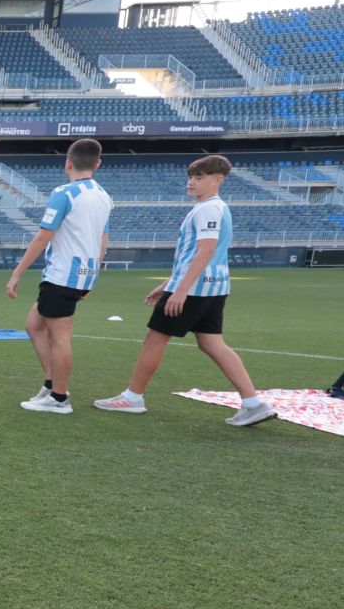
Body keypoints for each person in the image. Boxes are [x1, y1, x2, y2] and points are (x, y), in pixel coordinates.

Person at [93, 155, 276, 427]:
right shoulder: (215, 207)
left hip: (195, 289)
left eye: (199, 177)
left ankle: (133, 397)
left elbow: (205, 251)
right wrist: (168, 283)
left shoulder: (207, 210)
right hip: (214, 287)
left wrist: (180, 290)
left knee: (155, 339)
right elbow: (199, 254)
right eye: (191, 177)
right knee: (211, 343)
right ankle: (253, 404)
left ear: (218, 180)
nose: (191, 182)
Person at [6, 137, 114, 414]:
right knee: (33, 326)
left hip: (62, 275)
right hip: (79, 274)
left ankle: (59, 398)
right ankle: (51, 384)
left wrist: (17, 273)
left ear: (67, 163)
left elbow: (43, 237)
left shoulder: (64, 193)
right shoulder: (103, 196)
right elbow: (103, 240)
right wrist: (92, 275)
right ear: (98, 164)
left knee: (60, 337)